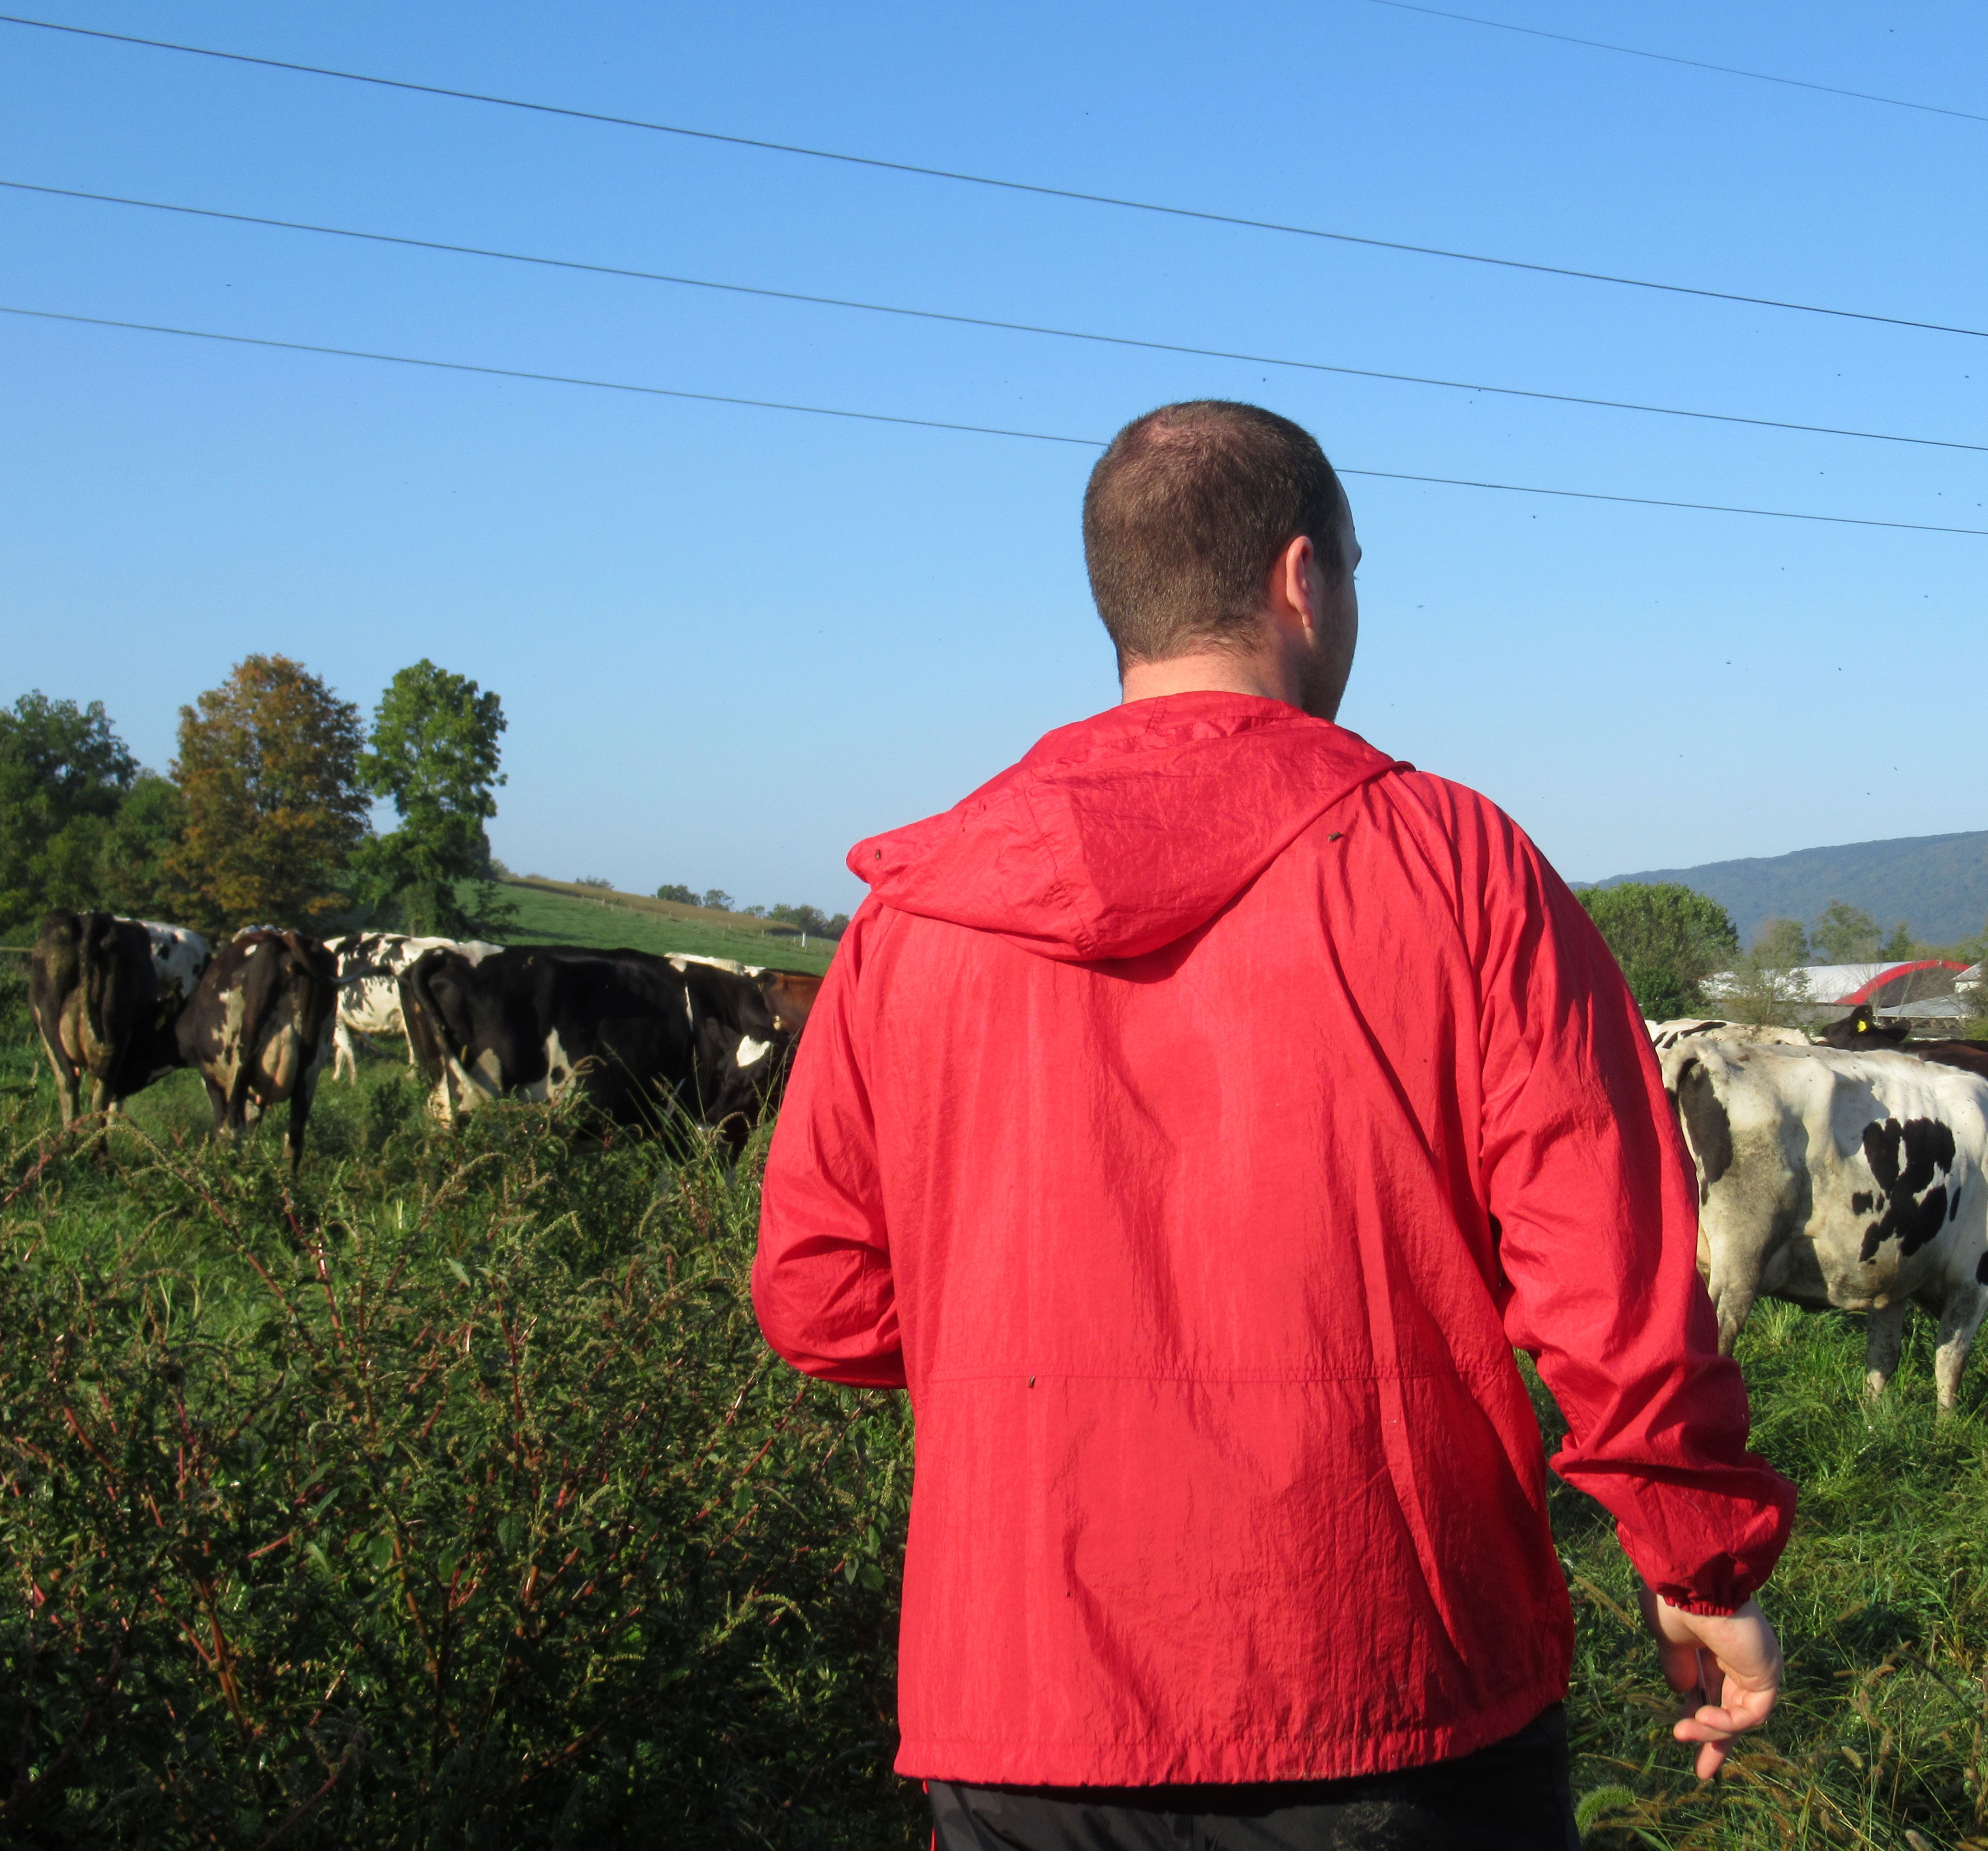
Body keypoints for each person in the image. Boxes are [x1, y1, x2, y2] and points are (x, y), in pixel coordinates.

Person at [752, 400, 1796, 1848]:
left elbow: (818, 1298)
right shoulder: (1461, 868)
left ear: (1122, 603)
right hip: (1393, 1685)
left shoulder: (914, 918)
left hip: (1020, 1711)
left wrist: (1040, 1347)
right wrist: (1699, 1563)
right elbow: (1610, 1294)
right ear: (1302, 579)